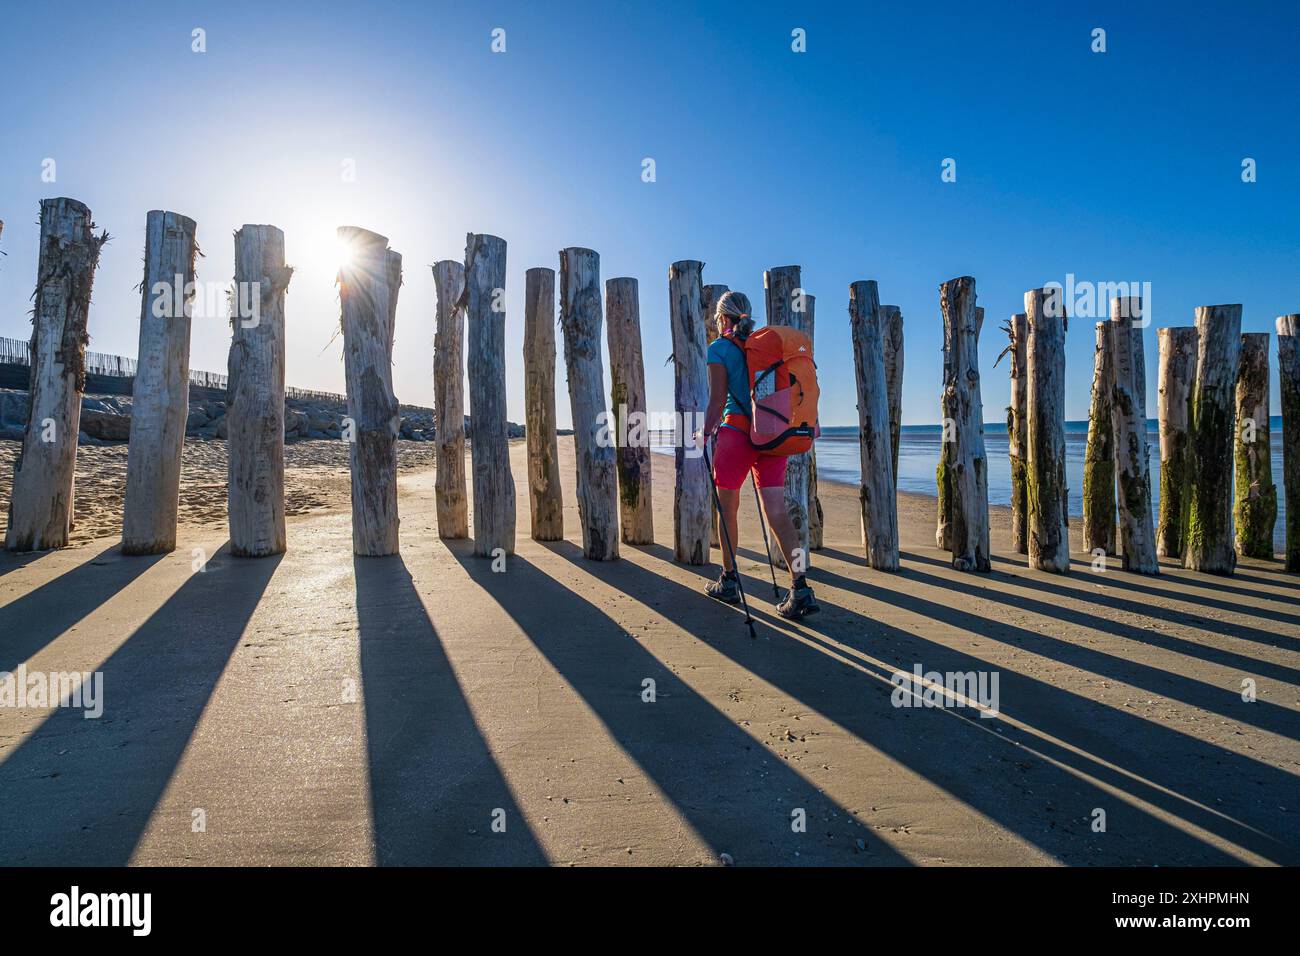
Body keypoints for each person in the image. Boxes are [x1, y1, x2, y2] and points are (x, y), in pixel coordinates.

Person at [699, 291, 819, 619]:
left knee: (728, 508)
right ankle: (800, 586)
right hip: (771, 437)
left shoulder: (718, 349)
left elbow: (716, 400)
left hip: (737, 434)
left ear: (722, 319)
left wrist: (703, 433)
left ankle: (728, 581)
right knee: (777, 511)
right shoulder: (764, 347)